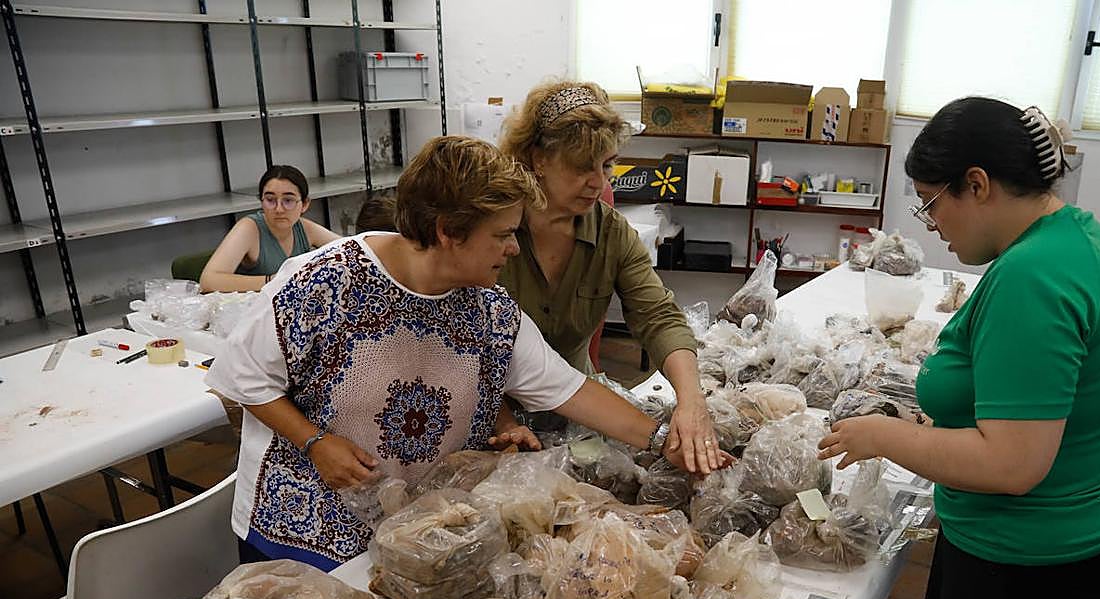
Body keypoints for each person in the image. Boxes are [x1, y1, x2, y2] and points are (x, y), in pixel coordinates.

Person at [817, 97, 1100, 599]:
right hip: (1089, 528)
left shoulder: (1033, 277)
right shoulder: (1078, 235)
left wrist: (886, 435)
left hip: (1037, 567)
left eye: (931, 204)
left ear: (977, 184)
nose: (932, 225)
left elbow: (1012, 463)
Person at [207, 136, 718, 571]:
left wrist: (664, 440)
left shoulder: (488, 308)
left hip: (417, 530)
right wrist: (315, 441)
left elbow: (569, 390)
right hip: (303, 529)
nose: (514, 248)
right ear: (448, 232)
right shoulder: (323, 282)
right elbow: (238, 376)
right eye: (503, 235)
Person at [497, 80, 721, 474]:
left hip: (579, 411)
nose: (599, 183)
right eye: (581, 166)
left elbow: (658, 316)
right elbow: (457, 346)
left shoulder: (611, 234)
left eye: (606, 165)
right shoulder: (494, 231)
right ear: (538, 159)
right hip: (495, 414)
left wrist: (691, 400)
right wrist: (503, 422)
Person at [200, 165, 340, 293]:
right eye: (270, 200)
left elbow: (349, 247)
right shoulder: (249, 228)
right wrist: (273, 280)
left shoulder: (304, 228)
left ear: (304, 204)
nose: (279, 209)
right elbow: (208, 281)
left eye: (288, 200)